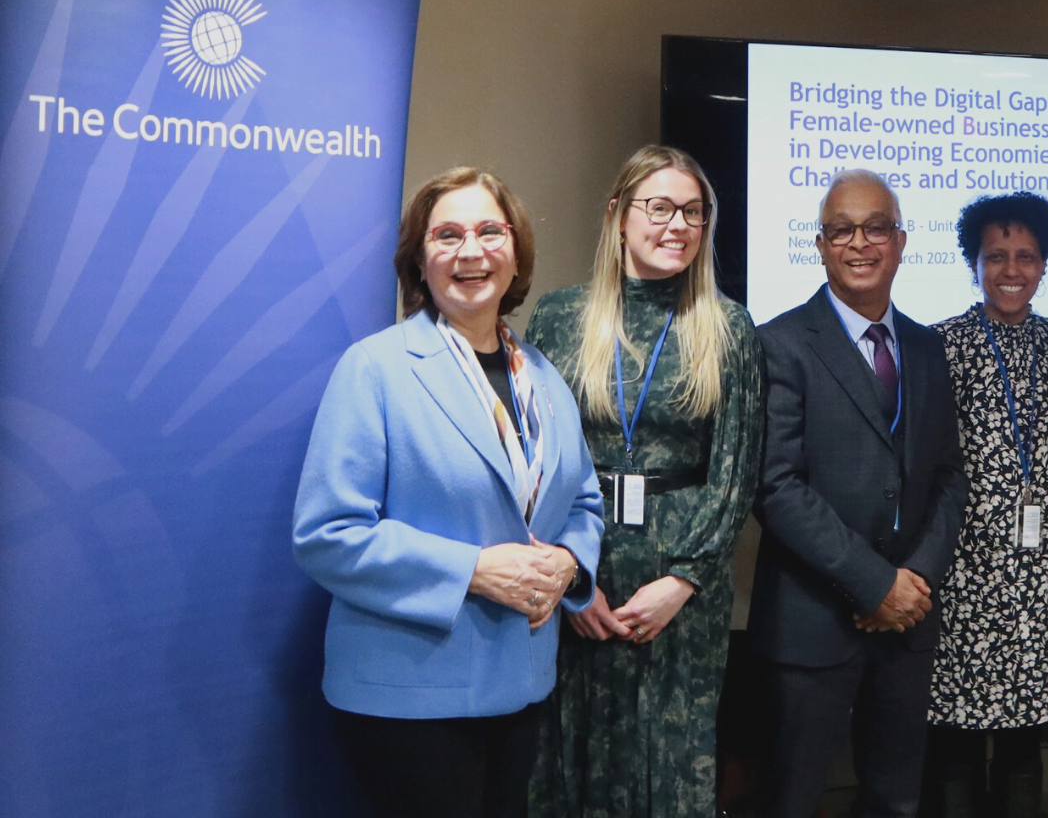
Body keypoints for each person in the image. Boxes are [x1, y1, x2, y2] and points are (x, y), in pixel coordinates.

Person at [293, 167, 604, 818]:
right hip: (410, 694)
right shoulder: (374, 369)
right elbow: (328, 535)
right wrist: (474, 570)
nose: (471, 250)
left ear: (515, 254)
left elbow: (583, 503)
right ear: (419, 259)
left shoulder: (543, 379)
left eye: (491, 231)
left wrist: (568, 563)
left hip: (520, 684)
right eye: (448, 235)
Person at [527, 146, 765, 818]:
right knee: (573, 745)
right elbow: (534, 460)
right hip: (582, 561)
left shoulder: (728, 328)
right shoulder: (560, 317)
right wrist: (571, 582)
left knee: (672, 751)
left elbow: (736, 471)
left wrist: (684, 578)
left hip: (681, 580)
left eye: (693, 212)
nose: (677, 225)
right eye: (659, 208)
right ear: (619, 217)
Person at [749, 168, 969, 818]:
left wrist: (914, 581)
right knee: (791, 798)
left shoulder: (929, 349)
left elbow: (950, 477)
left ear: (901, 243)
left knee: (896, 799)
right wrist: (876, 584)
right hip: (811, 622)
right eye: (841, 229)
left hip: (908, 625)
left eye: (876, 227)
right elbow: (777, 486)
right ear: (820, 245)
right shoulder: (782, 344)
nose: (859, 242)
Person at [920, 193, 1048, 818]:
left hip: (1039, 579)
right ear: (973, 262)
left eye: (1025, 256)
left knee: (1024, 745)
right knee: (955, 751)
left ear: (1045, 264)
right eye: (996, 256)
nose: (1011, 269)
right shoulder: (938, 347)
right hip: (960, 579)